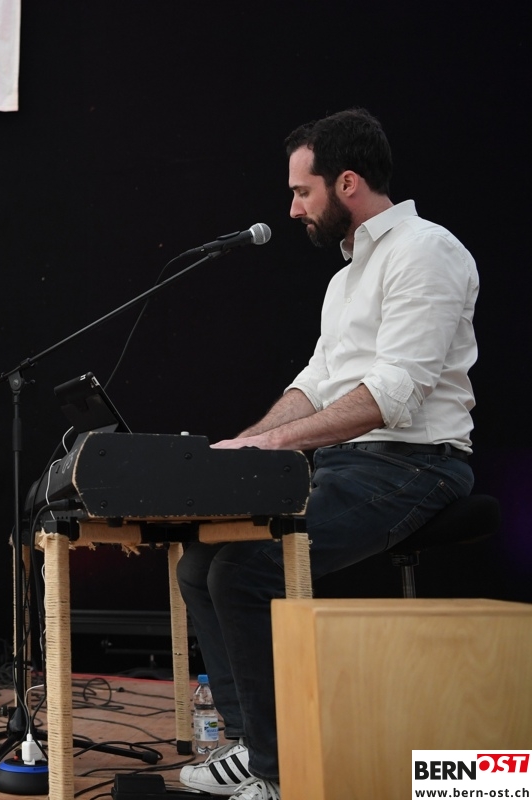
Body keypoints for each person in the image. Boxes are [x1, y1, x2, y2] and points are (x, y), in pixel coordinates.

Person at [177, 109, 477, 800]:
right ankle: (252, 743)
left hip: (415, 465)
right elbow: (315, 384)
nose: (292, 209)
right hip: (348, 464)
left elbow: (394, 393)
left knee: (244, 571)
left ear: (346, 183)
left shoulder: (426, 251)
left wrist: (276, 444)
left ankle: (278, 773)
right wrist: (247, 444)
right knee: (200, 560)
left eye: (301, 192)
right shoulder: (345, 280)